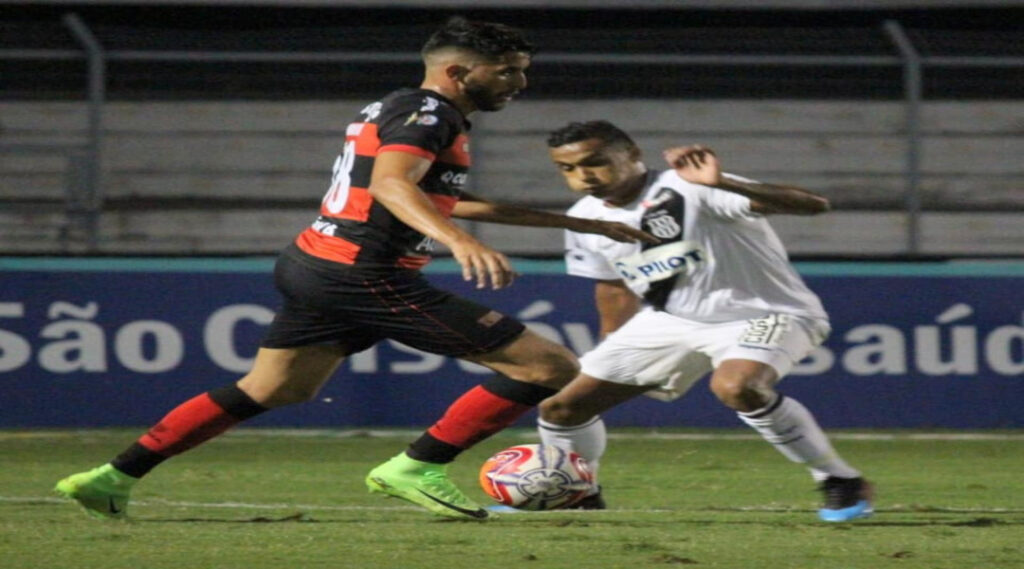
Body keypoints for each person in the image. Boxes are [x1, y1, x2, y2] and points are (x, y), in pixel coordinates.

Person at [54, 19, 654, 522]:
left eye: (521, 70)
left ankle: (110, 478)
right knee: (549, 366)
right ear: (458, 71)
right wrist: (458, 242)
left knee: (272, 389)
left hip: (316, 263)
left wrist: (575, 223)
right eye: (507, 71)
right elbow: (391, 185)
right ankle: (416, 467)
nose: (519, 83)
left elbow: (435, 194)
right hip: (363, 272)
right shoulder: (430, 115)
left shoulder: (403, 108)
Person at [534, 120, 873, 522]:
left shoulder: (691, 187)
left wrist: (724, 182)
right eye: (568, 168)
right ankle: (579, 492)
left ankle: (839, 478)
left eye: (595, 162)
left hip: (766, 312)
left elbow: (813, 205)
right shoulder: (582, 218)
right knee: (562, 408)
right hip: (669, 321)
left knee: (738, 387)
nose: (584, 175)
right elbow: (613, 287)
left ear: (633, 154)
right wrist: (610, 344)